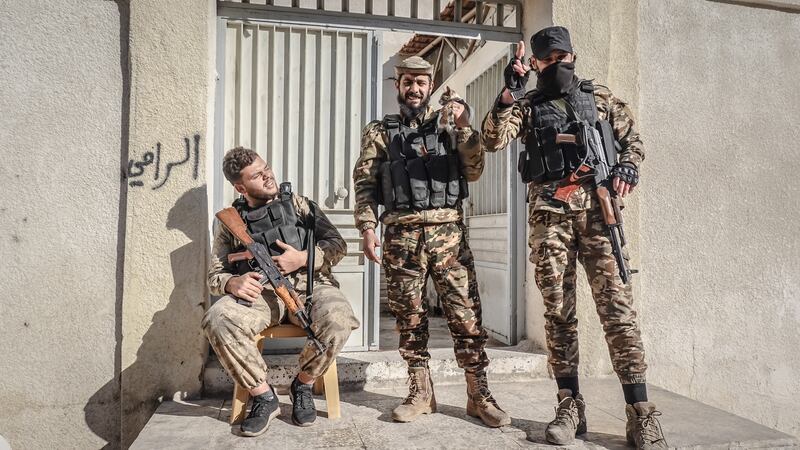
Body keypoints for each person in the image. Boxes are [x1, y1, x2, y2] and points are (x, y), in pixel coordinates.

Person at [481, 26, 667, 448]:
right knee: (559, 314)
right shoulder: (527, 104)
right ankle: (569, 404)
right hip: (550, 222)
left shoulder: (599, 97)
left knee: (618, 312)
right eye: (545, 59)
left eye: (559, 55)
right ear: (535, 63)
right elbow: (492, 139)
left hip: (600, 217)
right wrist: (507, 93)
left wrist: (627, 167)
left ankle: (641, 413)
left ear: (572, 54)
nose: (553, 64)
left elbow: (633, 139)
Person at [352, 56, 510, 427]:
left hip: (448, 233)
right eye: (408, 81)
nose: (415, 89)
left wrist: (464, 128)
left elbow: (474, 169)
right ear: (398, 85)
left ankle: (478, 395)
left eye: (422, 82)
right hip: (400, 235)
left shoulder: (449, 124)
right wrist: (367, 228)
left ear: (430, 85)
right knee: (410, 318)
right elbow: (365, 182)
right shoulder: (380, 130)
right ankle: (421, 392)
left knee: (466, 316)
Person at [203, 147, 360, 437]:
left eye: (267, 168)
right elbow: (215, 274)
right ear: (240, 186)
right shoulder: (229, 221)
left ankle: (303, 382)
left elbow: (338, 245)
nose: (268, 177)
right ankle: (263, 395)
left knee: (338, 318)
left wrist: (303, 258)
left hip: (311, 287)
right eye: (257, 175)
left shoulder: (301, 205)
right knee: (218, 318)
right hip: (263, 295)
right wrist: (230, 283)